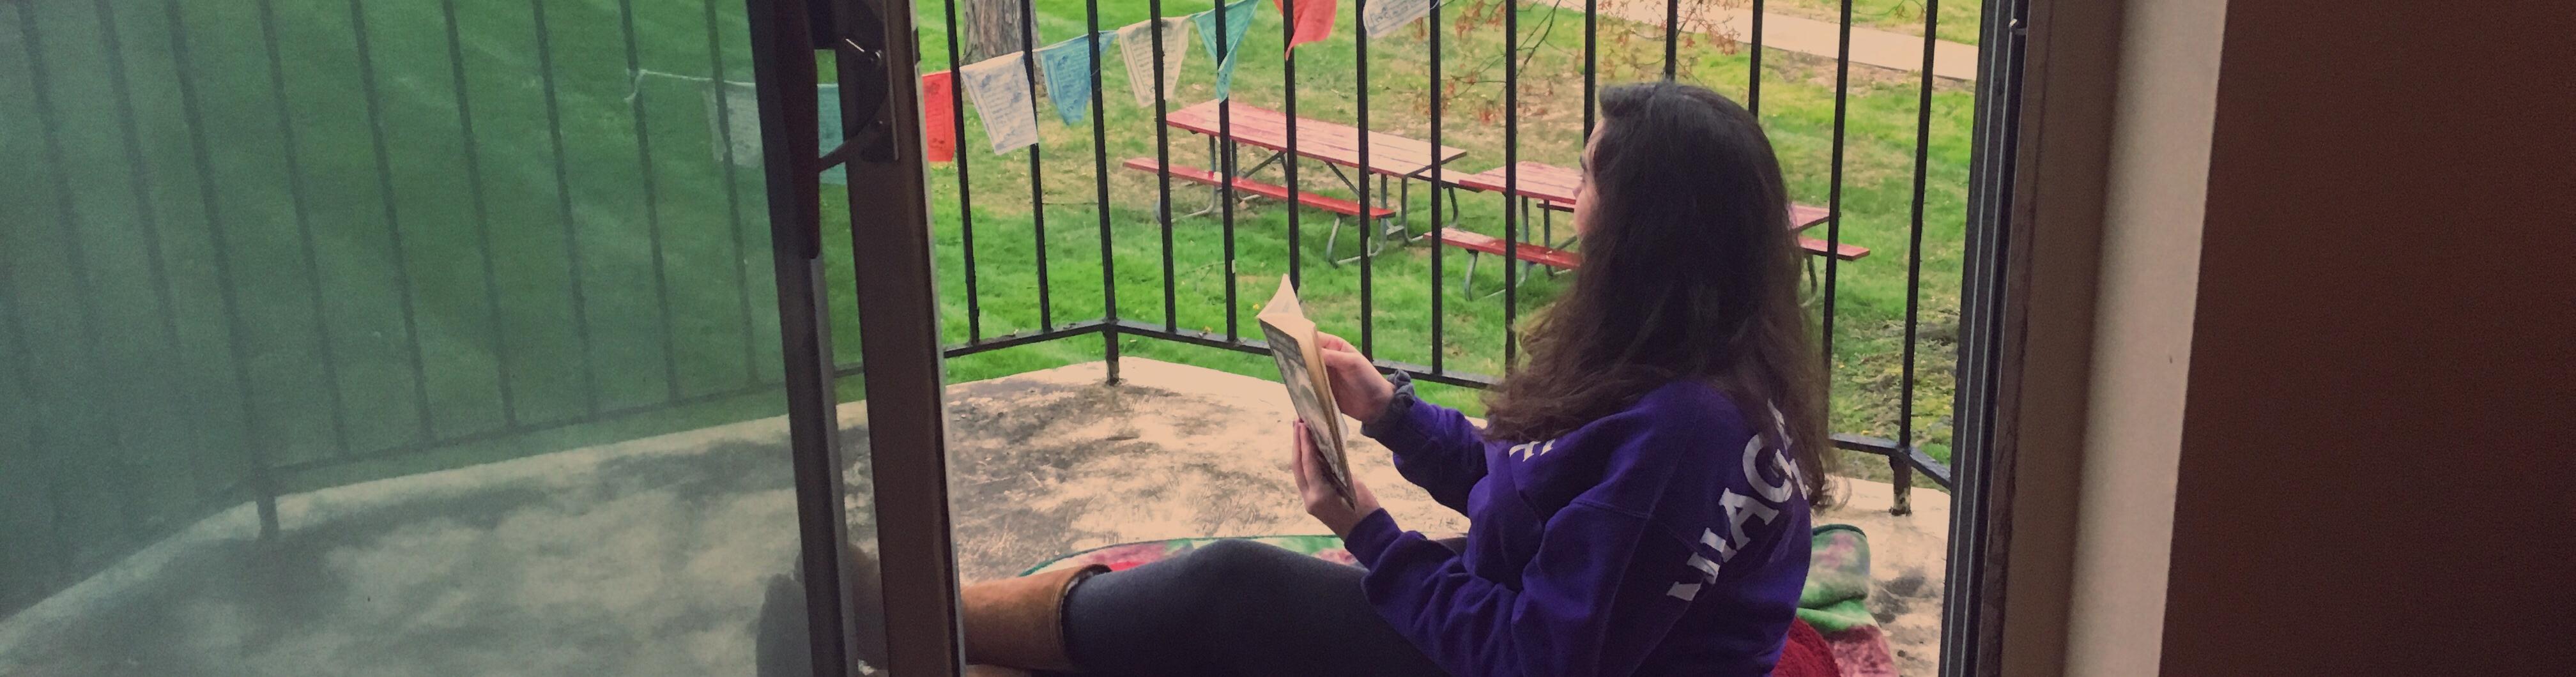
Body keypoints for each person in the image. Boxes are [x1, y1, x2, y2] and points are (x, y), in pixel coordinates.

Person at [758, 80, 1836, 677]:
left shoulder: (1687, 431)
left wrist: (1369, 531)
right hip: (1531, 626)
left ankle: (914, 626)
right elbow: (1533, 494)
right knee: (1223, 597)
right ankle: (931, 627)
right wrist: (1392, 413)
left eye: (1588, 174)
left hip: (1517, 658)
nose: (1569, 195)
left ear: (1649, 227)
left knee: (1233, 587)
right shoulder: (1687, 372)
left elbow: (1534, 660)